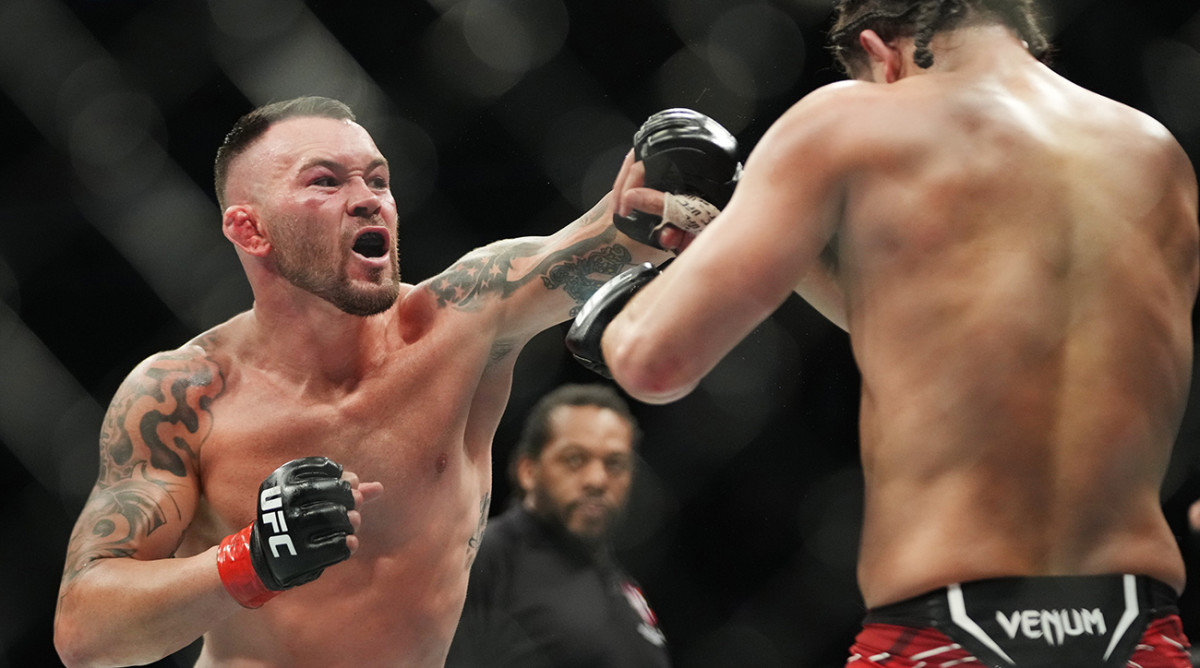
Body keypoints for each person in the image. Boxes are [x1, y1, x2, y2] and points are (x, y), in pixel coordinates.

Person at [575, 0, 1200, 666]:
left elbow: (652, 361)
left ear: (882, 53)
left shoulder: (845, 116)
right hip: (1140, 631)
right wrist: (751, 238)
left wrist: (636, 300)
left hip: (947, 634)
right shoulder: (1155, 152)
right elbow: (958, 346)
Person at [52, 96, 672, 668]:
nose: (368, 199)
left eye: (378, 180)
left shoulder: (462, 320)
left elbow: (615, 235)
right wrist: (256, 558)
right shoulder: (185, 395)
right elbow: (83, 630)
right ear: (250, 229)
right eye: (325, 181)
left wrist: (679, 181)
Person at [444, 383, 669, 668]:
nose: (597, 480)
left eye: (614, 464)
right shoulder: (485, 556)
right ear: (528, 471)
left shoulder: (621, 584)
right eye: (575, 459)